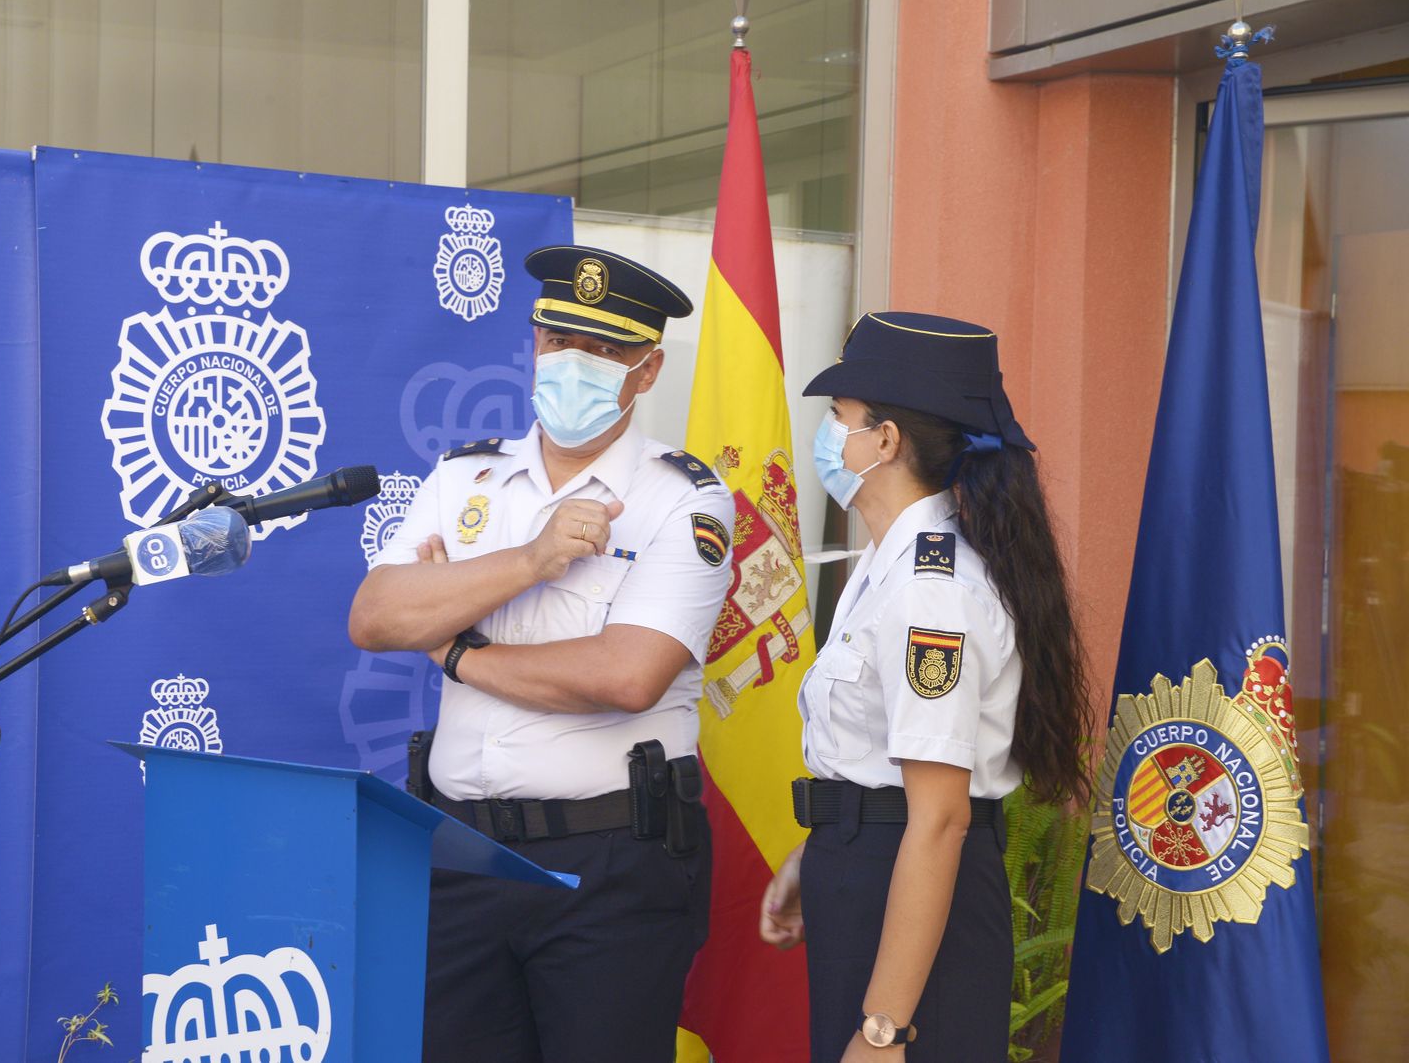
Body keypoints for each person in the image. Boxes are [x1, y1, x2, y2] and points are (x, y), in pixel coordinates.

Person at [349, 245, 733, 1063]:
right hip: (460, 853)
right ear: (533, 343)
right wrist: (528, 559)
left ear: (648, 368)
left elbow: (627, 676)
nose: (574, 365)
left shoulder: (684, 498)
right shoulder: (467, 478)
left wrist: (456, 652)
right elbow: (377, 616)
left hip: (609, 865)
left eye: (604, 351)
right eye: (559, 341)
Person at [757, 312, 1092, 1063]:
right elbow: (877, 760)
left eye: (838, 418)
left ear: (885, 441)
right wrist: (819, 854)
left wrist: (885, 1029)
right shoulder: (886, 568)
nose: (829, 438)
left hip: (913, 885)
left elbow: (940, 818)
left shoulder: (927, 590)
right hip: (874, 870)